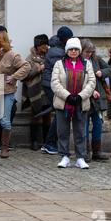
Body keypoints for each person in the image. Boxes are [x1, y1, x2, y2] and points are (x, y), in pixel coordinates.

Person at [0, 29, 31, 158]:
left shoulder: (12, 55)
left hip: (7, 91)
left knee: (5, 121)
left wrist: (14, 77)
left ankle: (4, 148)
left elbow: (26, 66)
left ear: (1, 41)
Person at [51, 37, 96, 169]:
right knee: (62, 131)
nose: (74, 51)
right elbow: (55, 83)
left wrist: (81, 96)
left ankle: (80, 157)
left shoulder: (87, 63)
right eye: (71, 49)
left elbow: (91, 82)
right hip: (63, 102)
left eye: (76, 49)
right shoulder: (59, 64)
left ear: (79, 50)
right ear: (67, 51)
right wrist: (68, 96)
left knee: (80, 131)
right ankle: (64, 156)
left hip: (80, 103)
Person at [41, 26, 74, 155]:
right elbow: (61, 71)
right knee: (60, 112)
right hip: (52, 85)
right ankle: (50, 143)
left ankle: (50, 143)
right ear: (65, 39)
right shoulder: (57, 52)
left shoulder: (58, 49)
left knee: (59, 112)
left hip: (51, 84)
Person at [81, 39, 111, 162]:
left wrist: (101, 72)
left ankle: (97, 151)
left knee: (98, 124)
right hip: (85, 97)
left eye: (91, 52)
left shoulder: (96, 59)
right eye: (87, 51)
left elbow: (110, 70)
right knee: (84, 126)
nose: (89, 54)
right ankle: (85, 151)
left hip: (97, 100)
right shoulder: (78, 61)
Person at [22, 34, 51, 151]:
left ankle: (47, 142)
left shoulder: (50, 56)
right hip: (35, 91)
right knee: (35, 116)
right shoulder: (29, 58)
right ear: (38, 46)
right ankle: (34, 141)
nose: (46, 47)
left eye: (46, 44)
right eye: (43, 45)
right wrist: (39, 68)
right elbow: (25, 74)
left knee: (47, 116)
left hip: (48, 90)